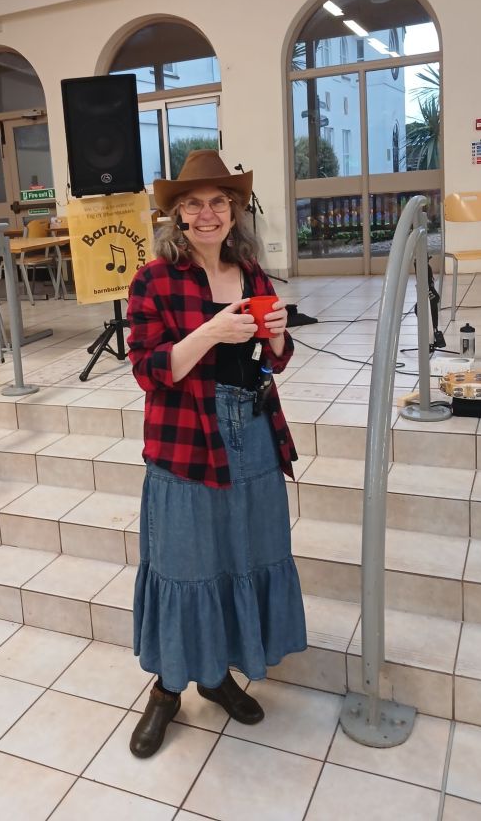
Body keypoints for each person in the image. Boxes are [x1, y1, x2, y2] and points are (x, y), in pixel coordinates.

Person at [126, 149, 306, 758]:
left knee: (239, 555)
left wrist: (276, 334)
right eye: (194, 204)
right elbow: (150, 370)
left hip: (251, 433)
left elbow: (270, 361)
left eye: (219, 202)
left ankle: (215, 674)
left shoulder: (251, 270)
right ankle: (167, 688)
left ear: (235, 211)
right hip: (185, 439)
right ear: (176, 216)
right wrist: (209, 331)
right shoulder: (153, 279)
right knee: (185, 566)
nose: (207, 214)